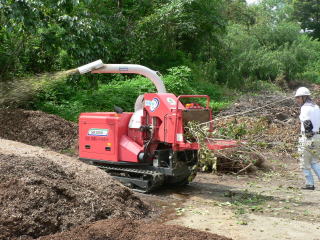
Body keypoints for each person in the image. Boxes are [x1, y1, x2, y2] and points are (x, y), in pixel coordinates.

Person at [295, 87, 320, 190]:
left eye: (298, 98)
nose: (297, 100)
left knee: (304, 161)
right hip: (318, 137)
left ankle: (310, 184)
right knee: (314, 161)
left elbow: (307, 122)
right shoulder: (317, 107)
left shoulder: (305, 108)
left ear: (304, 97)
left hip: (307, 137)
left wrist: (308, 137)